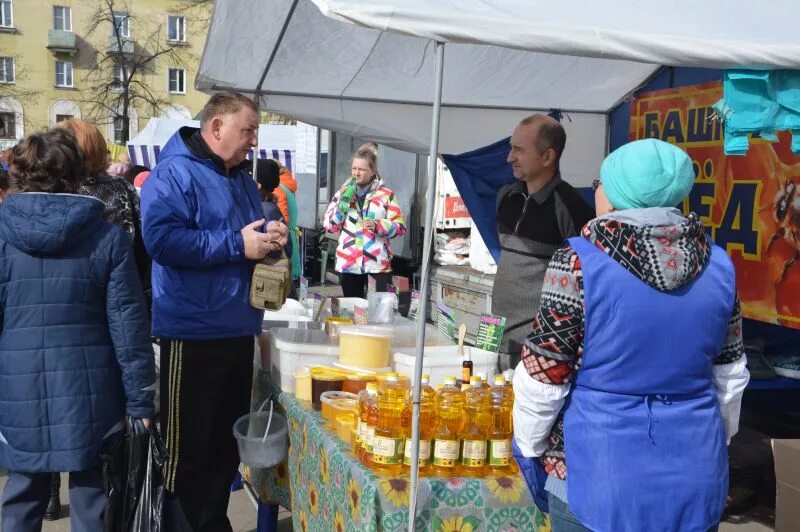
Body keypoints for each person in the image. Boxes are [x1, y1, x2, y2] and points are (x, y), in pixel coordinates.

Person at [513, 138, 751, 532]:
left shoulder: (577, 260)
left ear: (619, 192)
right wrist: (712, 442)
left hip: (597, 471)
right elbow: (730, 376)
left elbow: (544, 377)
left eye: (600, 182)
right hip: (695, 471)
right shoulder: (719, 264)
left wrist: (531, 446)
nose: (596, 190)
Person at [140, 91, 288, 532]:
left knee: (224, 452)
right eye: (248, 130)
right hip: (193, 332)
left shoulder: (241, 177)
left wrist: (269, 234)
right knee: (189, 454)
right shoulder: (173, 173)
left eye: (256, 131)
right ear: (216, 127)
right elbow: (162, 242)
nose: (254, 141)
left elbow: (243, 235)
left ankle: (210, 524)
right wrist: (236, 244)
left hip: (238, 327)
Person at [0, 128, 154, 532]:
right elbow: (128, 326)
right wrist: (140, 401)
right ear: (76, 173)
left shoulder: (2, 236)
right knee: (91, 500)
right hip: (91, 388)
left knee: (22, 495)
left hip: (18, 385)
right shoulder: (108, 236)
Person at [492, 114, 595, 372]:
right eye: (510, 148)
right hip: (496, 335)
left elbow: (586, 280)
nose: (509, 158)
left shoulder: (571, 207)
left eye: (518, 150)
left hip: (539, 349)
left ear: (548, 157)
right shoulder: (506, 196)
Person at [56, 119, 151, 318]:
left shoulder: (51, 190)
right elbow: (139, 241)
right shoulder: (122, 188)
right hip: (117, 294)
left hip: (60, 294)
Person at [324, 147, 406, 298]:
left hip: (377, 266)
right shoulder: (343, 193)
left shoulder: (386, 195)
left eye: (361, 169)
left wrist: (377, 225)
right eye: (354, 168)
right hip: (349, 265)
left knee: (378, 314)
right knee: (355, 313)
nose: (356, 173)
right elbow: (331, 226)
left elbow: (400, 227)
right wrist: (342, 203)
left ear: (373, 171)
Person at [256, 158, 301, 280]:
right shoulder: (283, 188)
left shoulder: (268, 206)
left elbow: (281, 222)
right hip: (287, 245)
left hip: (274, 266)